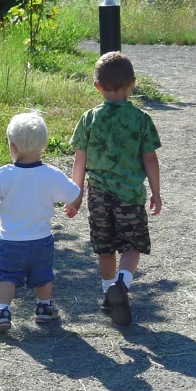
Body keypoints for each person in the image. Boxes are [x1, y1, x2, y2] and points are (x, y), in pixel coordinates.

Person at [64, 51, 162, 326]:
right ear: (132, 82)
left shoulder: (89, 119)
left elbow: (79, 160)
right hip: (130, 195)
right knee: (132, 244)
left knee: (104, 247)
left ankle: (109, 293)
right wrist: (155, 192)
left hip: (98, 195)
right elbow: (150, 158)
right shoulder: (141, 120)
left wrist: (76, 195)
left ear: (97, 86)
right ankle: (122, 283)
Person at [0, 112, 80, 334]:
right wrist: (72, 205)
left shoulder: (3, 175)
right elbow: (73, 193)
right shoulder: (51, 174)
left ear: (12, 147)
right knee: (42, 275)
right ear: (43, 146)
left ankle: (2, 311)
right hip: (41, 240)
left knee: (6, 275)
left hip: (10, 240)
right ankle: (43, 308)